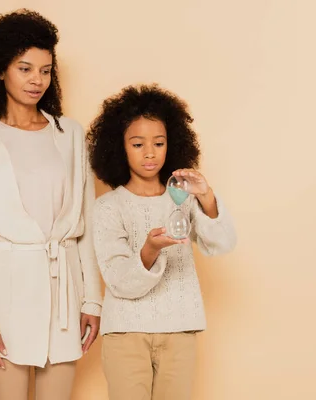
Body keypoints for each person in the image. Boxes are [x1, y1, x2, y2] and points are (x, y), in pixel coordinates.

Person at [0, 9, 102, 400]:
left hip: (64, 290)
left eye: (46, 70)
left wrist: (92, 299)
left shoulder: (70, 134)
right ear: (0, 70)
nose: (38, 80)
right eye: (25, 68)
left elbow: (84, 224)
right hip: (6, 293)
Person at [88, 84, 237, 400]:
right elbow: (119, 281)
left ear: (173, 143)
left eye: (159, 142)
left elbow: (221, 244)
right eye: (138, 143)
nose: (150, 152)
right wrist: (150, 249)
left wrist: (206, 196)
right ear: (119, 146)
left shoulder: (182, 198)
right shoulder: (108, 207)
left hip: (180, 328)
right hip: (126, 332)